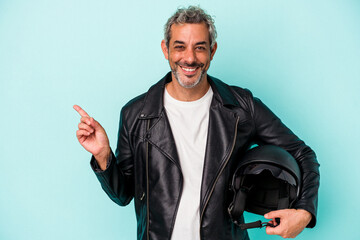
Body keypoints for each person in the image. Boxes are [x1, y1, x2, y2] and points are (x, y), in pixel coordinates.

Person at [74, 6, 320, 240]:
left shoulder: (242, 107)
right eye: (179, 47)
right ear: (166, 49)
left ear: (212, 51)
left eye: (199, 48)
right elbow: (124, 195)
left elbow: (301, 153)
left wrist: (303, 213)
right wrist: (104, 156)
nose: (189, 58)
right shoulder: (135, 114)